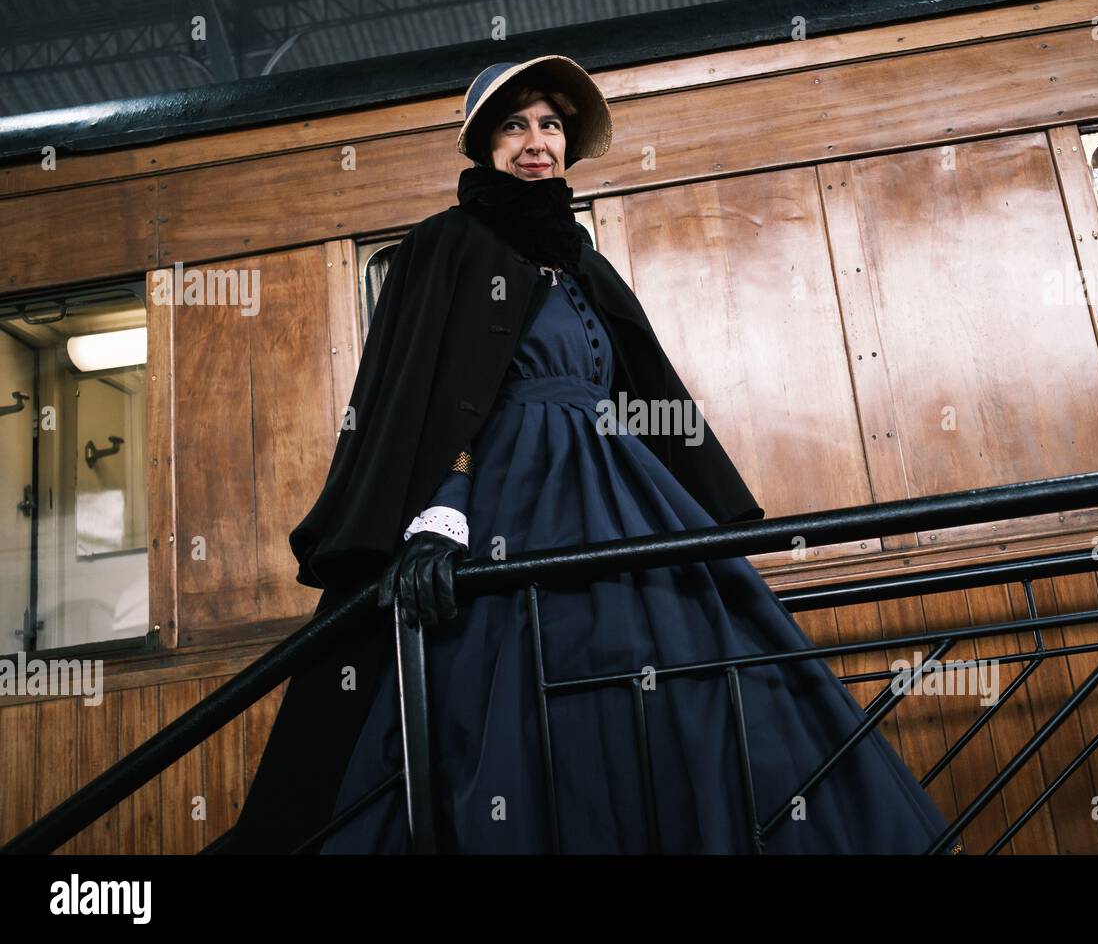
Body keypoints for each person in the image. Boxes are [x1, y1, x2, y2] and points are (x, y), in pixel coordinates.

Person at [222, 55, 962, 855]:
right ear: (483, 146)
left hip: (618, 486)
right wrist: (443, 509)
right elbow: (435, 401)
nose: (536, 140)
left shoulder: (584, 263)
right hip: (507, 496)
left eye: (550, 125)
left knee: (685, 676)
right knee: (513, 697)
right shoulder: (443, 246)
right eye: (514, 125)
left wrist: (683, 488)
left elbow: (634, 391)